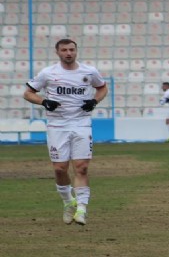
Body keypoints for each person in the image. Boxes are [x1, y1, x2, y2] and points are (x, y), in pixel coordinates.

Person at [23, 38, 108, 226]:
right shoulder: (48, 73)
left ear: (76, 51)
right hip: (57, 125)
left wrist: (94, 101)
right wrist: (43, 102)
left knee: (82, 167)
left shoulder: (89, 71)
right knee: (60, 169)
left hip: (81, 123)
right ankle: (69, 202)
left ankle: (82, 210)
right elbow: (28, 93)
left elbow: (102, 88)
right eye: (64, 50)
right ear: (58, 52)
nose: (68, 53)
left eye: (71, 49)